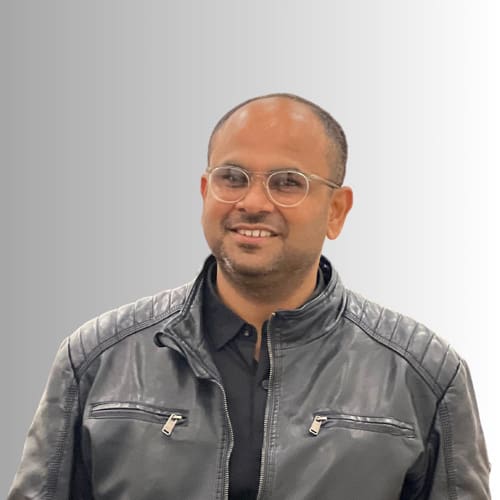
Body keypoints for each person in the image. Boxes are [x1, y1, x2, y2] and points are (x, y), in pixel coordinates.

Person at [9, 93, 490, 499]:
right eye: (233, 177)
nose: (253, 203)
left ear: (336, 211)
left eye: (287, 183)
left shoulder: (423, 376)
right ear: (205, 191)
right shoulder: (96, 360)